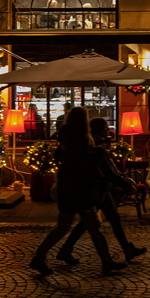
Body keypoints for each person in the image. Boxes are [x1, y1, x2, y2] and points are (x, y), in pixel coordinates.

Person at [29, 107, 127, 276]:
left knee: (65, 228)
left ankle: (40, 257)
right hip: (80, 190)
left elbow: (62, 156)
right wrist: (99, 152)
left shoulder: (65, 134)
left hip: (68, 189)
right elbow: (84, 160)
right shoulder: (82, 138)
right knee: (90, 227)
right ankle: (106, 261)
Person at [56, 117, 147, 265]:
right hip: (96, 191)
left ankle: (125, 249)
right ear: (99, 130)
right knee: (88, 223)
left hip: (101, 189)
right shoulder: (94, 146)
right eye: (105, 127)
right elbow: (107, 170)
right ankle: (67, 251)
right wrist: (126, 185)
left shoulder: (98, 143)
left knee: (111, 220)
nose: (108, 130)